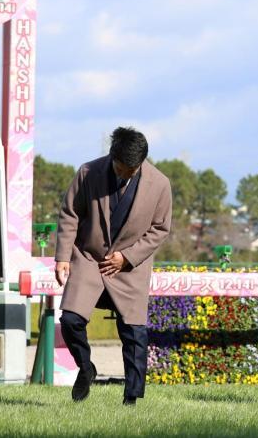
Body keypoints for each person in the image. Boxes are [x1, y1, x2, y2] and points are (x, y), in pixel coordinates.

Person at [54, 127, 173, 405]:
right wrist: (61, 257)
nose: (127, 174)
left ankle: (131, 398)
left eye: (133, 170)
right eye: (122, 168)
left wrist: (127, 257)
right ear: (111, 156)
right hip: (89, 258)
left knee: (134, 333)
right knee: (70, 320)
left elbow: (160, 229)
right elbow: (70, 214)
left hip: (130, 267)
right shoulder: (87, 172)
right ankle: (86, 367)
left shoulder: (160, 184)